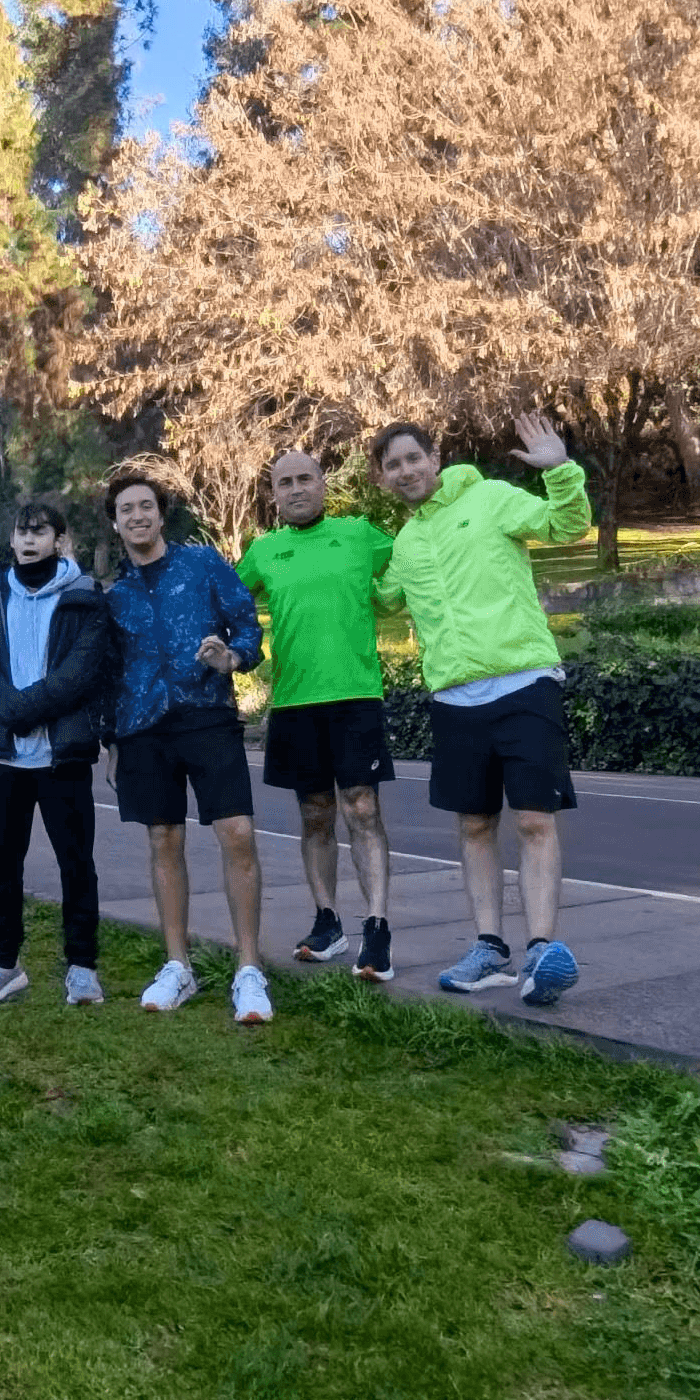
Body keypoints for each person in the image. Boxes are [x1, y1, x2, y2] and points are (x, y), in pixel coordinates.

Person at [372, 412, 593, 1007]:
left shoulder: (492, 498)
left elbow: (567, 525)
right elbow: (376, 598)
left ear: (434, 458)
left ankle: (542, 949)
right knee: (473, 825)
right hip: (453, 698)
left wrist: (561, 471)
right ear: (383, 478)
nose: (405, 470)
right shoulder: (406, 543)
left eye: (412, 458)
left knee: (534, 819)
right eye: (392, 465)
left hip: (524, 682)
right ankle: (490, 949)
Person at [102, 470, 270, 1025]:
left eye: (145, 506)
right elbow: (110, 671)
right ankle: (178, 965)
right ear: (115, 522)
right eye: (126, 510)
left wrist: (235, 658)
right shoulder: (116, 594)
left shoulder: (202, 565)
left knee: (237, 834)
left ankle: (249, 970)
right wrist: (112, 739)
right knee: (163, 839)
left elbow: (248, 627)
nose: (137, 517)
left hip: (207, 716)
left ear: (160, 513)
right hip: (142, 728)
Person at [238, 446, 397, 982]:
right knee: (315, 816)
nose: (297, 489)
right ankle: (327, 921)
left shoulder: (361, 535)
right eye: (285, 482)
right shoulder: (263, 551)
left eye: (306, 478)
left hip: (355, 697)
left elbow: (421, 558)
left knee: (362, 808)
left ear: (324, 484)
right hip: (294, 703)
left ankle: (377, 927)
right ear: (275, 495)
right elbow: (227, 602)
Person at [0, 495, 112, 1006]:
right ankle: (3, 964)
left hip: (62, 754)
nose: (29, 541)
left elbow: (83, 671)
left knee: (76, 862)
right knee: (4, 863)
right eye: (22, 532)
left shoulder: (87, 598)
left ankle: (82, 967)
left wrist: (24, 708)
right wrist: (11, 709)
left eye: (40, 532)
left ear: (59, 541)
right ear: (11, 540)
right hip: (6, 759)